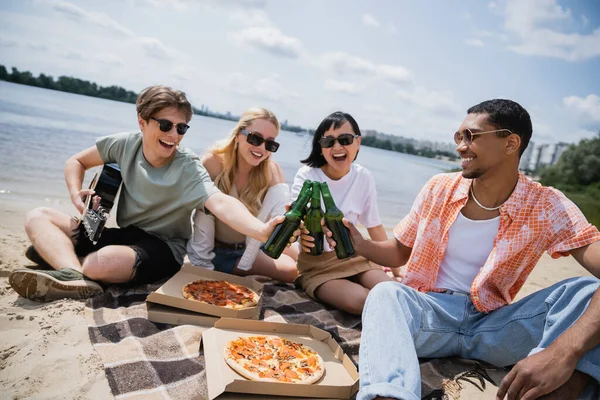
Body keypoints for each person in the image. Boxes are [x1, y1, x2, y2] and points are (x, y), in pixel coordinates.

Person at [334, 99, 600, 400]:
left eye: (471, 136)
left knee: (588, 293)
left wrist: (564, 352)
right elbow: (398, 252)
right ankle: (391, 396)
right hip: (428, 315)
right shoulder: (438, 187)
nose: (461, 145)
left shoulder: (547, 205)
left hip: (495, 327)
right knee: (385, 294)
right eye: (458, 136)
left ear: (511, 143)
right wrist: (360, 244)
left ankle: (559, 387)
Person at [9, 85, 281, 302]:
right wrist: (75, 193)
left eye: (181, 128)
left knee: (99, 264)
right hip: (126, 232)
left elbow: (220, 202)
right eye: (165, 125)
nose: (173, 135)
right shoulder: (124, 143)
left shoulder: (187, 165)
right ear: (142, 121)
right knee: (37, 216)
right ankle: (72, 273)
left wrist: (260, 231)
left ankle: (63, 261)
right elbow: (76, 162)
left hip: (164, 247)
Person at [294, 111, 402, 315]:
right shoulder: (307, 176)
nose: (337, 147)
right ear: (321, 146)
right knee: (363, 302)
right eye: (328, 141)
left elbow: (374, 225)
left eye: (344, 139)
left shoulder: (363, 177)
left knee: (393, 293)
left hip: (356, 257)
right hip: (319, 266)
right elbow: (298, 219)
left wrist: (396, 271)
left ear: (358, 142)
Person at [186, 107, 299, 283]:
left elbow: (282, 214)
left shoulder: (271, 170)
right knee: (292, 270)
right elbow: (202, 218)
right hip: (220, 251)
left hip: (253, 245)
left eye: (270, 144)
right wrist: (202, 267)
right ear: (239, 134)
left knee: (302, 257)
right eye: (255, 138)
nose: (261, 148)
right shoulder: (213, 162)